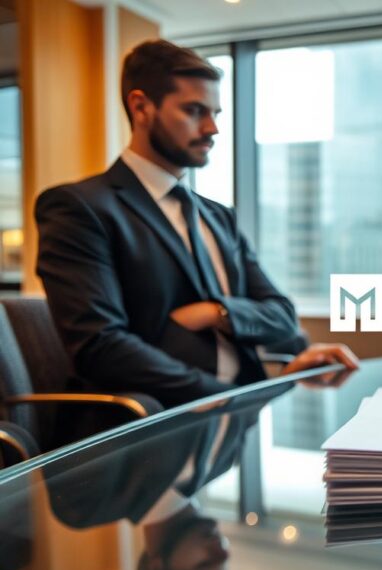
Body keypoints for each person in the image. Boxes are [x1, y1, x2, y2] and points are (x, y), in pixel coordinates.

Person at [34, 40, 358, 407]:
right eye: (194, 111)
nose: (212, 128)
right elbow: (102, 348)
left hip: (233, 422)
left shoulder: (218, 216)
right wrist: (231, 399)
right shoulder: (81, 208)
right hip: (149, 426)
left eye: (216, 113)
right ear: (141, 107)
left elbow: (283, 317)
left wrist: (215, 313)